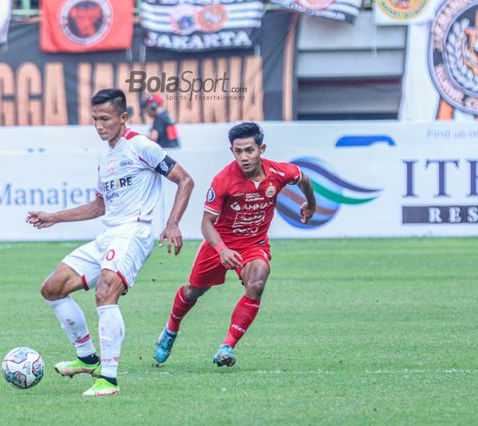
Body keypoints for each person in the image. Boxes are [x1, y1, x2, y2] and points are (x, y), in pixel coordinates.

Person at [27, 88, 194, 397]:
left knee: (105, 291)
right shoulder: (105, 157)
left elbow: (185, 179)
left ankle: (109, 379)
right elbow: (98, 207)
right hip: (108, 234)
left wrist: (172, 223)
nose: (98, 125)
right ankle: (88, 358)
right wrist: (54, 217)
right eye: (94, 119)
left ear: (123, 118)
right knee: (52, 288)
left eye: (105, 119)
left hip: (135, 231)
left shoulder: (142, 146)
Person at [154, 122, 317, 367]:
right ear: (232, 152)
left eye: (249, 150)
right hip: (219, 244)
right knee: (193, 291)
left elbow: (302, 178)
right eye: (238, 151)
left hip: (254, 244)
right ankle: (171, 329)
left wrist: (311, 204)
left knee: (258, 280)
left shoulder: (280, 173)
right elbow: (206, 223)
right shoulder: (223, 180)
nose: (244, 157)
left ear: (261, 149)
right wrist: (222, 249)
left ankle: (227, 346)